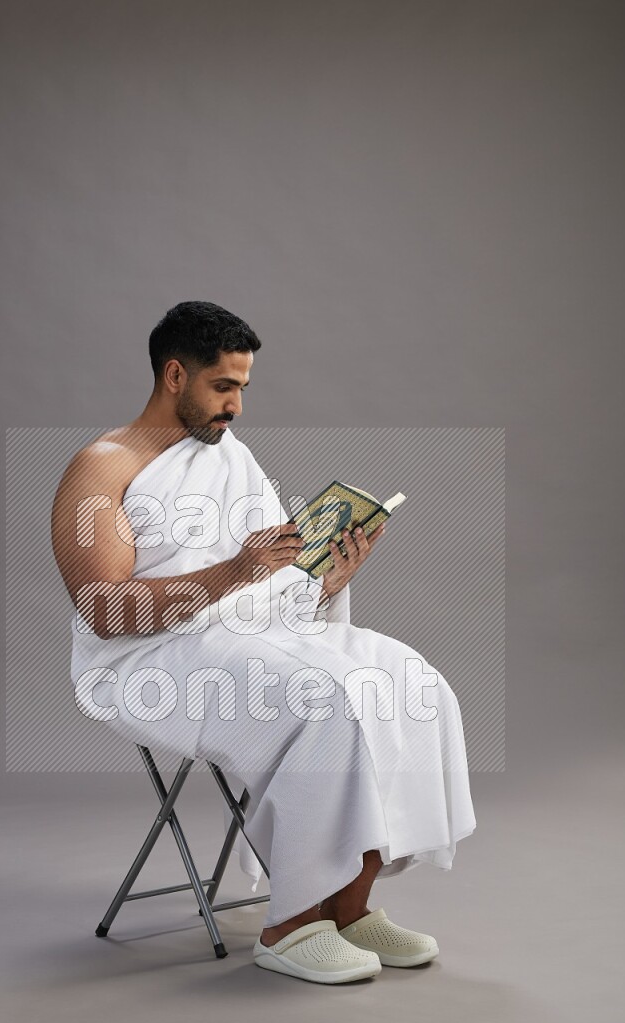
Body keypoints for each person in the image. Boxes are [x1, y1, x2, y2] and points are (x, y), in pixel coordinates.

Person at [51, 300, 476, 986]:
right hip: (148, 659)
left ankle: (350, 906)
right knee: (325, 701)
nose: (236, 407)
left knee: (408, 679)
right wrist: (238, 571)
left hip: (250, 634)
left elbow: (273, 586)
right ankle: (289, 925)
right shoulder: (99, 470)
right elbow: (105, 612)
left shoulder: (232, 458)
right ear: (174, 375)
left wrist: (327, 580)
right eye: (224, 387)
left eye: (243, 388)